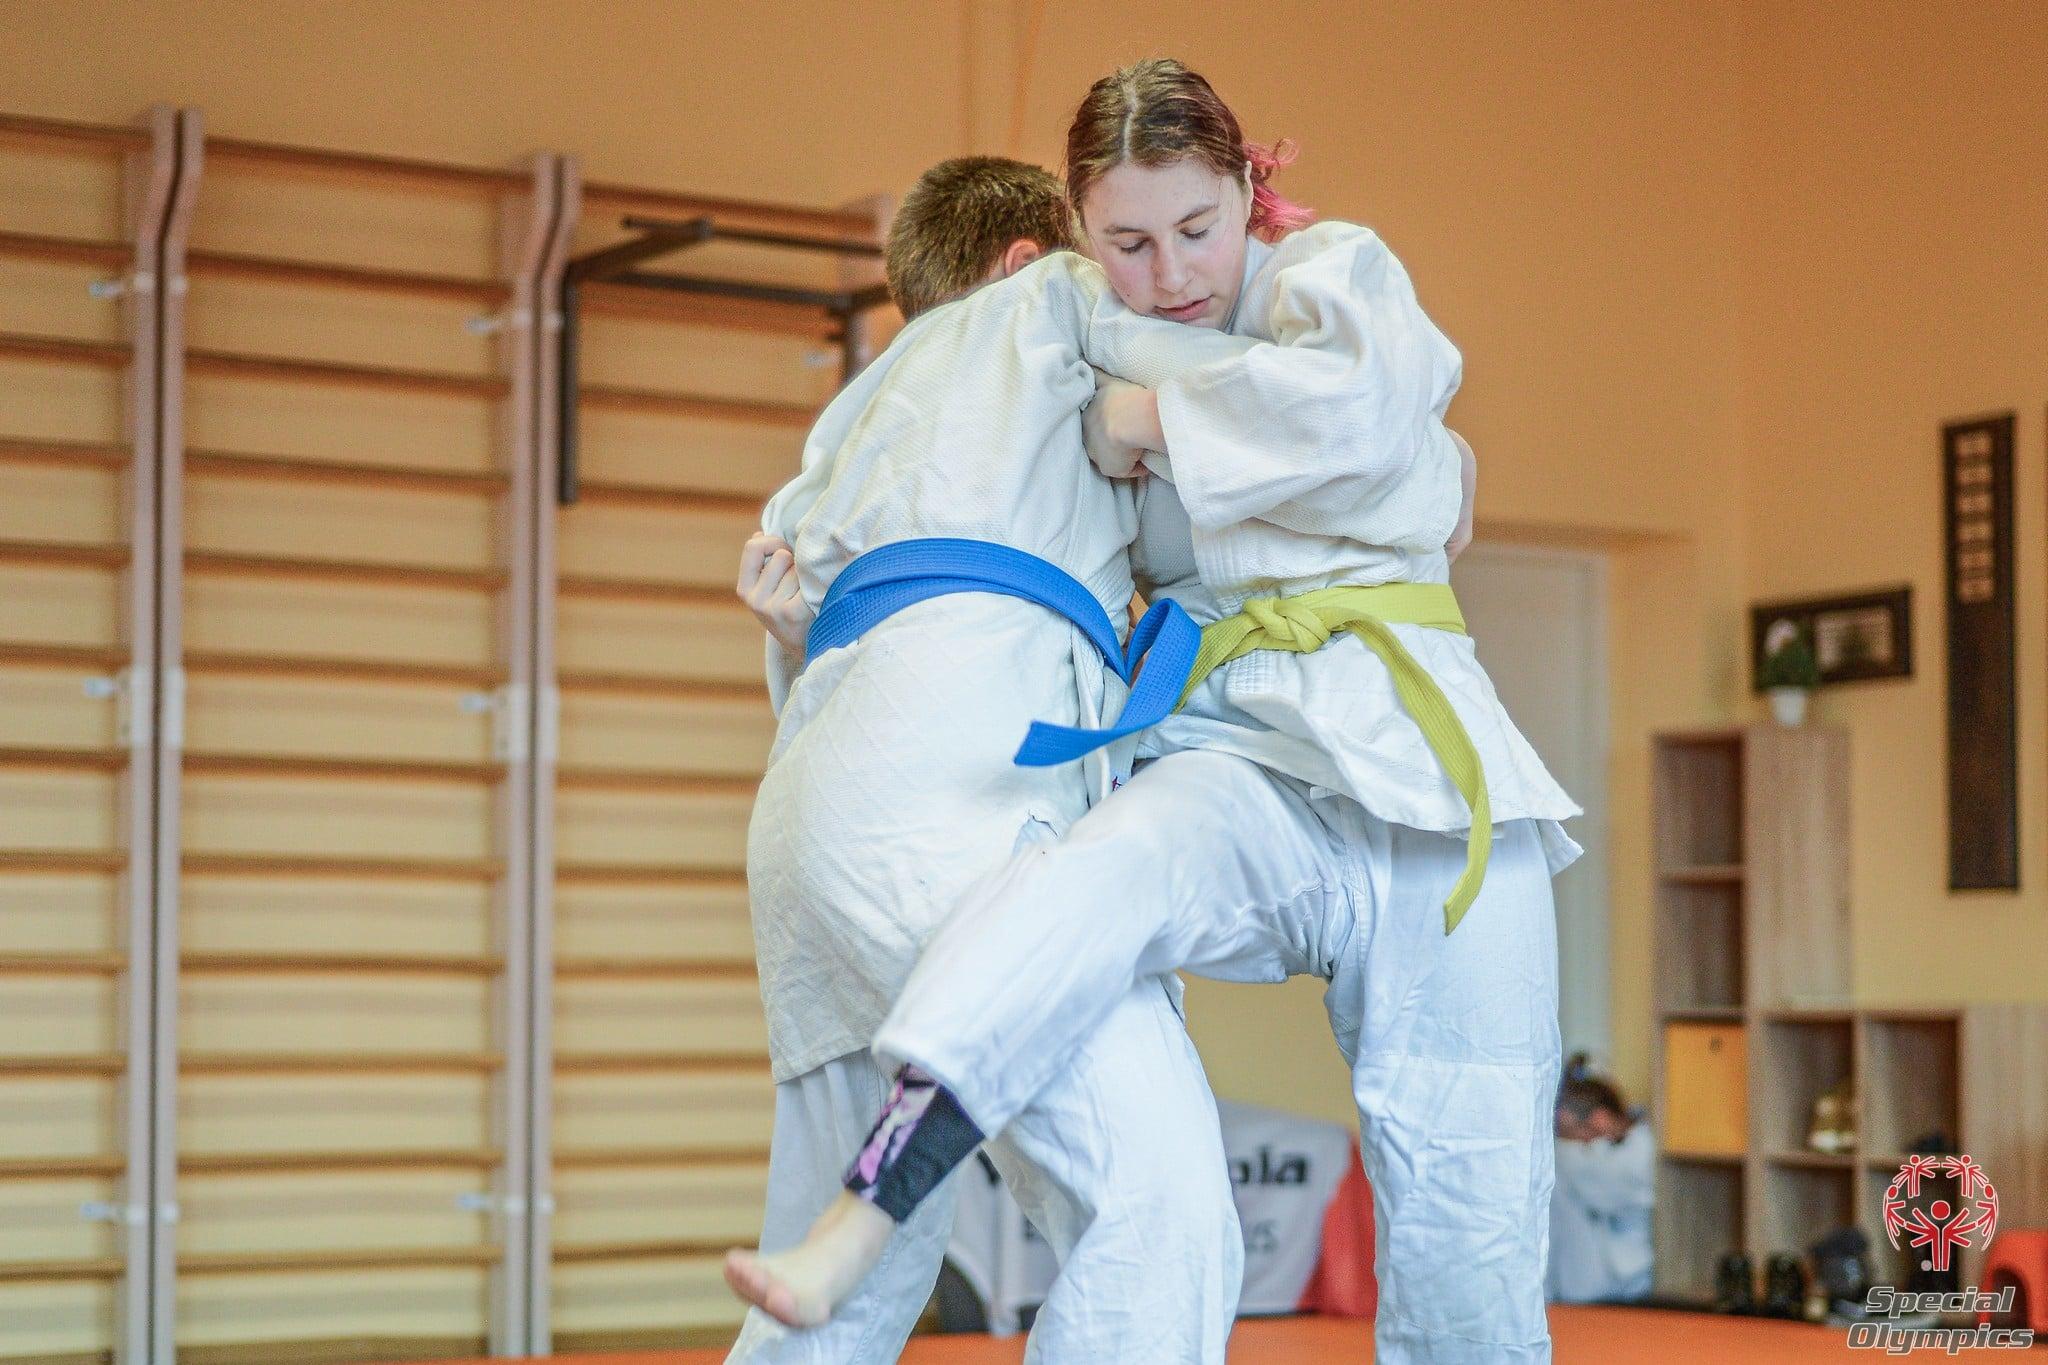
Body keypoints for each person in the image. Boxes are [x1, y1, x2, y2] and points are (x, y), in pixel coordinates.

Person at [736, 59, 1580, 1365]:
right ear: (1073, 238)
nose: (1169, 271)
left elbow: (1390, 429)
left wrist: (1150, 419)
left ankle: (863, 1210)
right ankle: (871, 1201)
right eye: (1127, 244)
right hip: (1235, 745)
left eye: (1194, 228)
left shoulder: (1326, 279)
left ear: (1249, 190)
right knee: (1090, 904)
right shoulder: (1060, 332)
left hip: (1424, 772)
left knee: (1470, 1238)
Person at [726, 155, 1267, 1365]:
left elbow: (804, 622)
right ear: (1031, 260)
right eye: (1121, 253)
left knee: (846, 1271)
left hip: (816, 824)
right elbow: (1233, 370)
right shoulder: (1049, 303)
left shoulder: (853, 421)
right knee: (1153, 1201)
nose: (1146, 276)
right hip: (953, 805)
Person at [1548, 1054, 1654, 1304]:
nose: (1572, 1142)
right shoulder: (1602, 1152)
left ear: (1600, 1120)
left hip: (1627, 1290)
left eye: (1570, 1133)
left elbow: (1579, 1169)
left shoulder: (1640, 1151)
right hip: (1590, 1291)